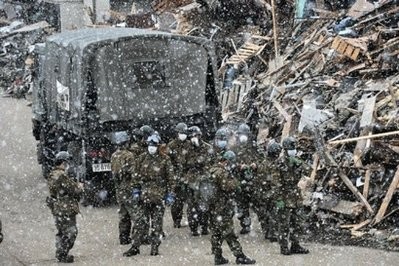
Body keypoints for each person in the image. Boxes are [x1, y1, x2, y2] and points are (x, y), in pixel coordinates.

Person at [123, 134, 175, 257]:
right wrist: (135, 190)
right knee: (140, 222)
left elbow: (171, 179)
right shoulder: (141, 158)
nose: (151, 147)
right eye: (150, 145)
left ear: (158, 146)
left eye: (154, 145)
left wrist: (170, 194)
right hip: (144, 196)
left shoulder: (165, 159)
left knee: (157, 224)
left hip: (159, 196)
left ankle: (155, 247)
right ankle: (135, 246)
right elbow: (135, 176)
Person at [209, 150, 256, 265]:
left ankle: (218, 256)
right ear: (225, 161)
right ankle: (239, 256)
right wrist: (237, 181)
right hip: (222, 207)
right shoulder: (222, 173)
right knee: (229, 233)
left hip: (213, 207)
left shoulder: (213, 170)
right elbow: (230, 186)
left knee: (216, 233)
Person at [46, 151, 83, 263]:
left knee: (61, 231)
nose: (68, 165)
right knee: (72, 231)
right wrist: (80, 187)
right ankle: (63, 253)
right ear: (63, 162)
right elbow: (74, 190)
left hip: (57, 208)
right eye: (67, 162)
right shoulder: (62, 175)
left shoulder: (52, 174)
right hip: (65, 208)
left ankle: (59, 252)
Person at [276, 136, 310, 255]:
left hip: (295, 196)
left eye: (294, 147)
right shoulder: (280, 163)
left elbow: (309, 170)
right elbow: (275, 183)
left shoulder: (296, 160)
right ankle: (284, 247)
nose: (293, 150)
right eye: (291, 148)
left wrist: (299, 163)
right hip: (284, 196)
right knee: (284, 224)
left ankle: (295, 245)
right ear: (285, 149)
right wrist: (279, 199)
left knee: (298, 223)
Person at [185, 126, 213, 236]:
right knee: (192, 206)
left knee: (205, 205)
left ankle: (205, 226)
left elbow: (210, 163)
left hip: (204, 180)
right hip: (191, 180)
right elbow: (183, 162)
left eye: (195, 135)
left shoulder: (207, 147)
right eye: (191, 136)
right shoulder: (187, 149)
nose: (193, 138)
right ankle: (193, 228)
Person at [233, 123, 259, 234]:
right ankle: (245, 225)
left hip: (253, 181)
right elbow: (230, 163)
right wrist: (239, 166)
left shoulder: (253, 148)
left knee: (259, 205)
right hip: (240, 180)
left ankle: (268, 228)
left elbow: (261, 160)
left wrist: (255, 165)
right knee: (242, 205)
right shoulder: (234, 148)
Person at [110, 131, 136, 245]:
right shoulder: (129, 155)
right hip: (128, 187)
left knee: (123, 214)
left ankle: (123, 238)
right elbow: (133, 172)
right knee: (135, 214)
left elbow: (114, 173)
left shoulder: (114, 155)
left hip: (119, 188)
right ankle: (138, 237)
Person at [254, 140, 281, 242]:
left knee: (263, 214)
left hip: (261, 192)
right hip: (270, 192)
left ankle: (266, 231)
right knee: (273, 213)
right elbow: (275, 182)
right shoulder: (274, 166)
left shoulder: (263, 163)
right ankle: (272, 234)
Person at [167, 122, 191, 228]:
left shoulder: (189, 144)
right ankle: (176, 221)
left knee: (191, 200)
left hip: (188, 175)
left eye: (184, 133)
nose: (183, 135)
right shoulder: (171, 145)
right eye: (181, 133)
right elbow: (168, 162)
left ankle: (193, 221)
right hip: (176, 176)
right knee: (177, 202)